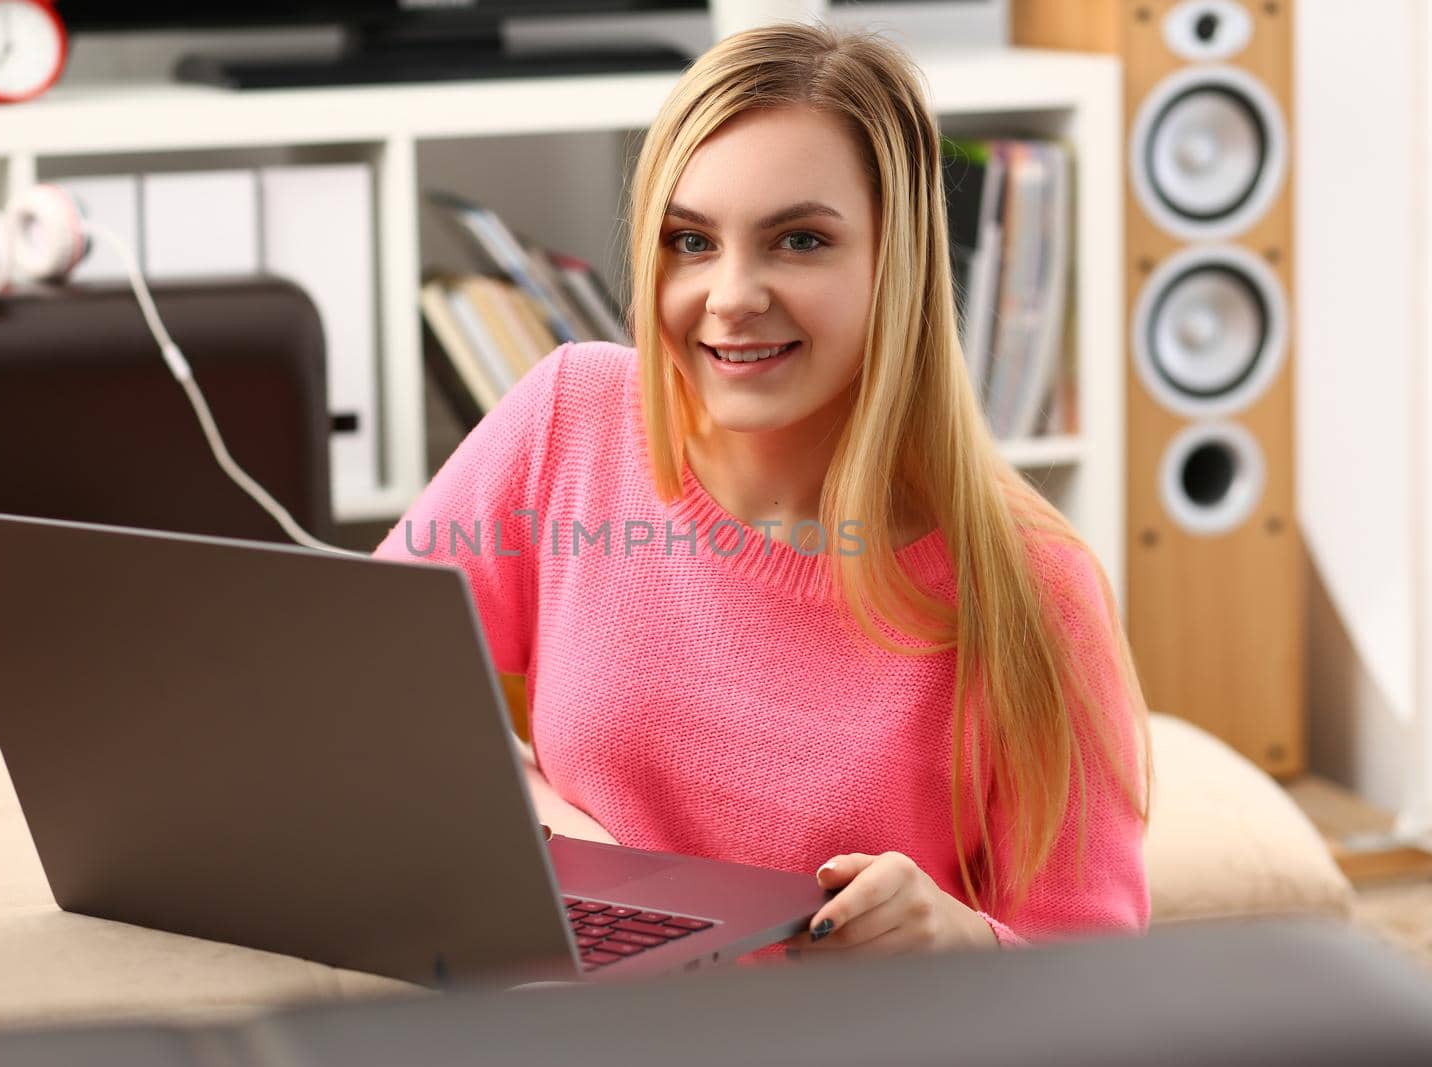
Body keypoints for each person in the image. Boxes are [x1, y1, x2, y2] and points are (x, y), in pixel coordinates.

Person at [375, 22, 1151, 958]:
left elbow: (1102, 988)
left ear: (895, 262)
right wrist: (553, 835)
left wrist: (963, 944)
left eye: (798, 240)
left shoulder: (1034, 588)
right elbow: (370, 693)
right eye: (691, 240)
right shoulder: (569, 415)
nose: (731, 294)